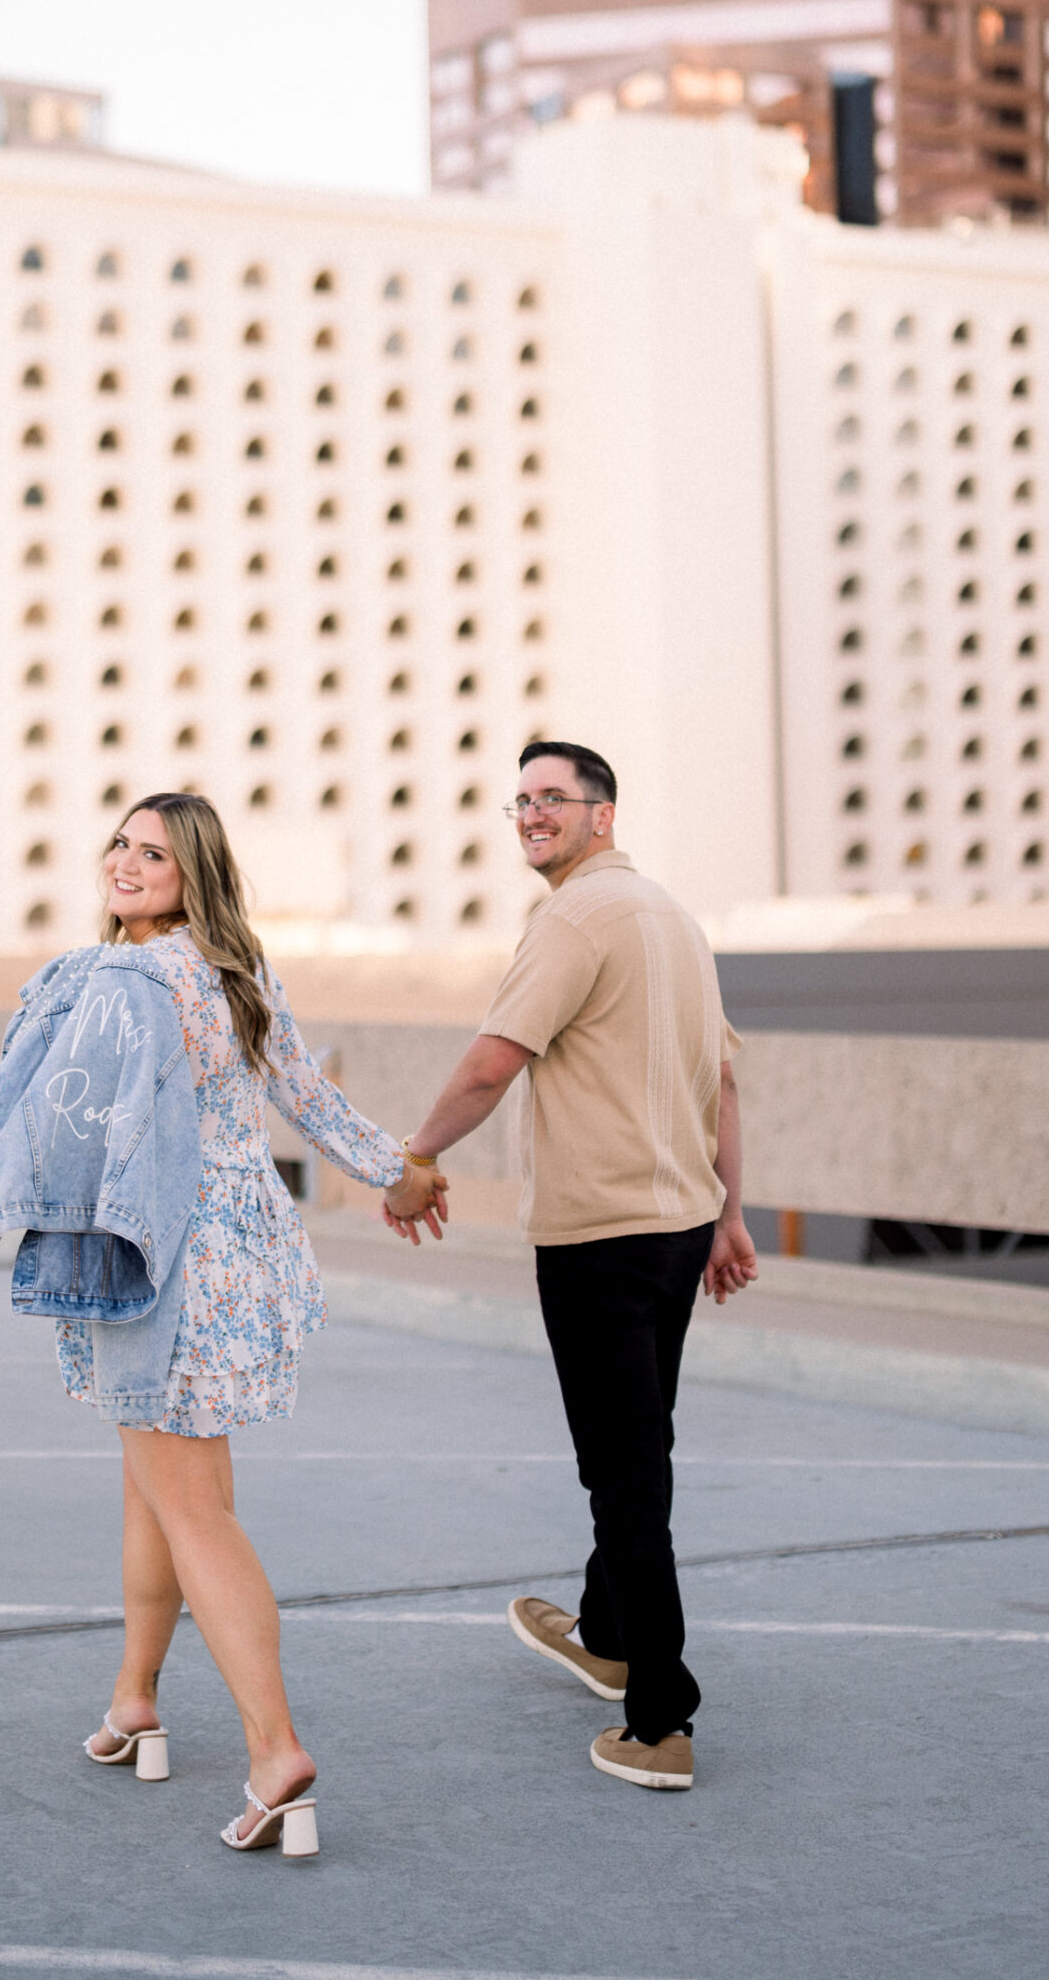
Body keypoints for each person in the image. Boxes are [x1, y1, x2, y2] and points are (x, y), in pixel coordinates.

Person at [62, 792, 445, 1857]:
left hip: (157, 1253)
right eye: (122, 844)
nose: (127, 862)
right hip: (240, 1251)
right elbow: (306, 1095)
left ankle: (275, 1751)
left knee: (195, 1507)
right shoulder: (237, 970)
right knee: (161, 1483)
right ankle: (134, 1698)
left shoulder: (122, 979)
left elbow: (83, 1124)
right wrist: (398, 1174)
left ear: (194, 874)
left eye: (154, 853)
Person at [388, 741, 756, 1793]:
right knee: (640, 1439)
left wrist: (417, 1160)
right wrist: (732, 1215)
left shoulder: (573, 918)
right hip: (678, 1223)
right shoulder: (672, 916)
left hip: (600, 1238)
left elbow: (494, 1057)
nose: (532, 812)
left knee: (625, 1472)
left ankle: (660, 1717)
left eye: (555, 797)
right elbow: (724, 1080)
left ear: (603, 815)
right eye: (523, 798)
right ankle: (604, 1630)